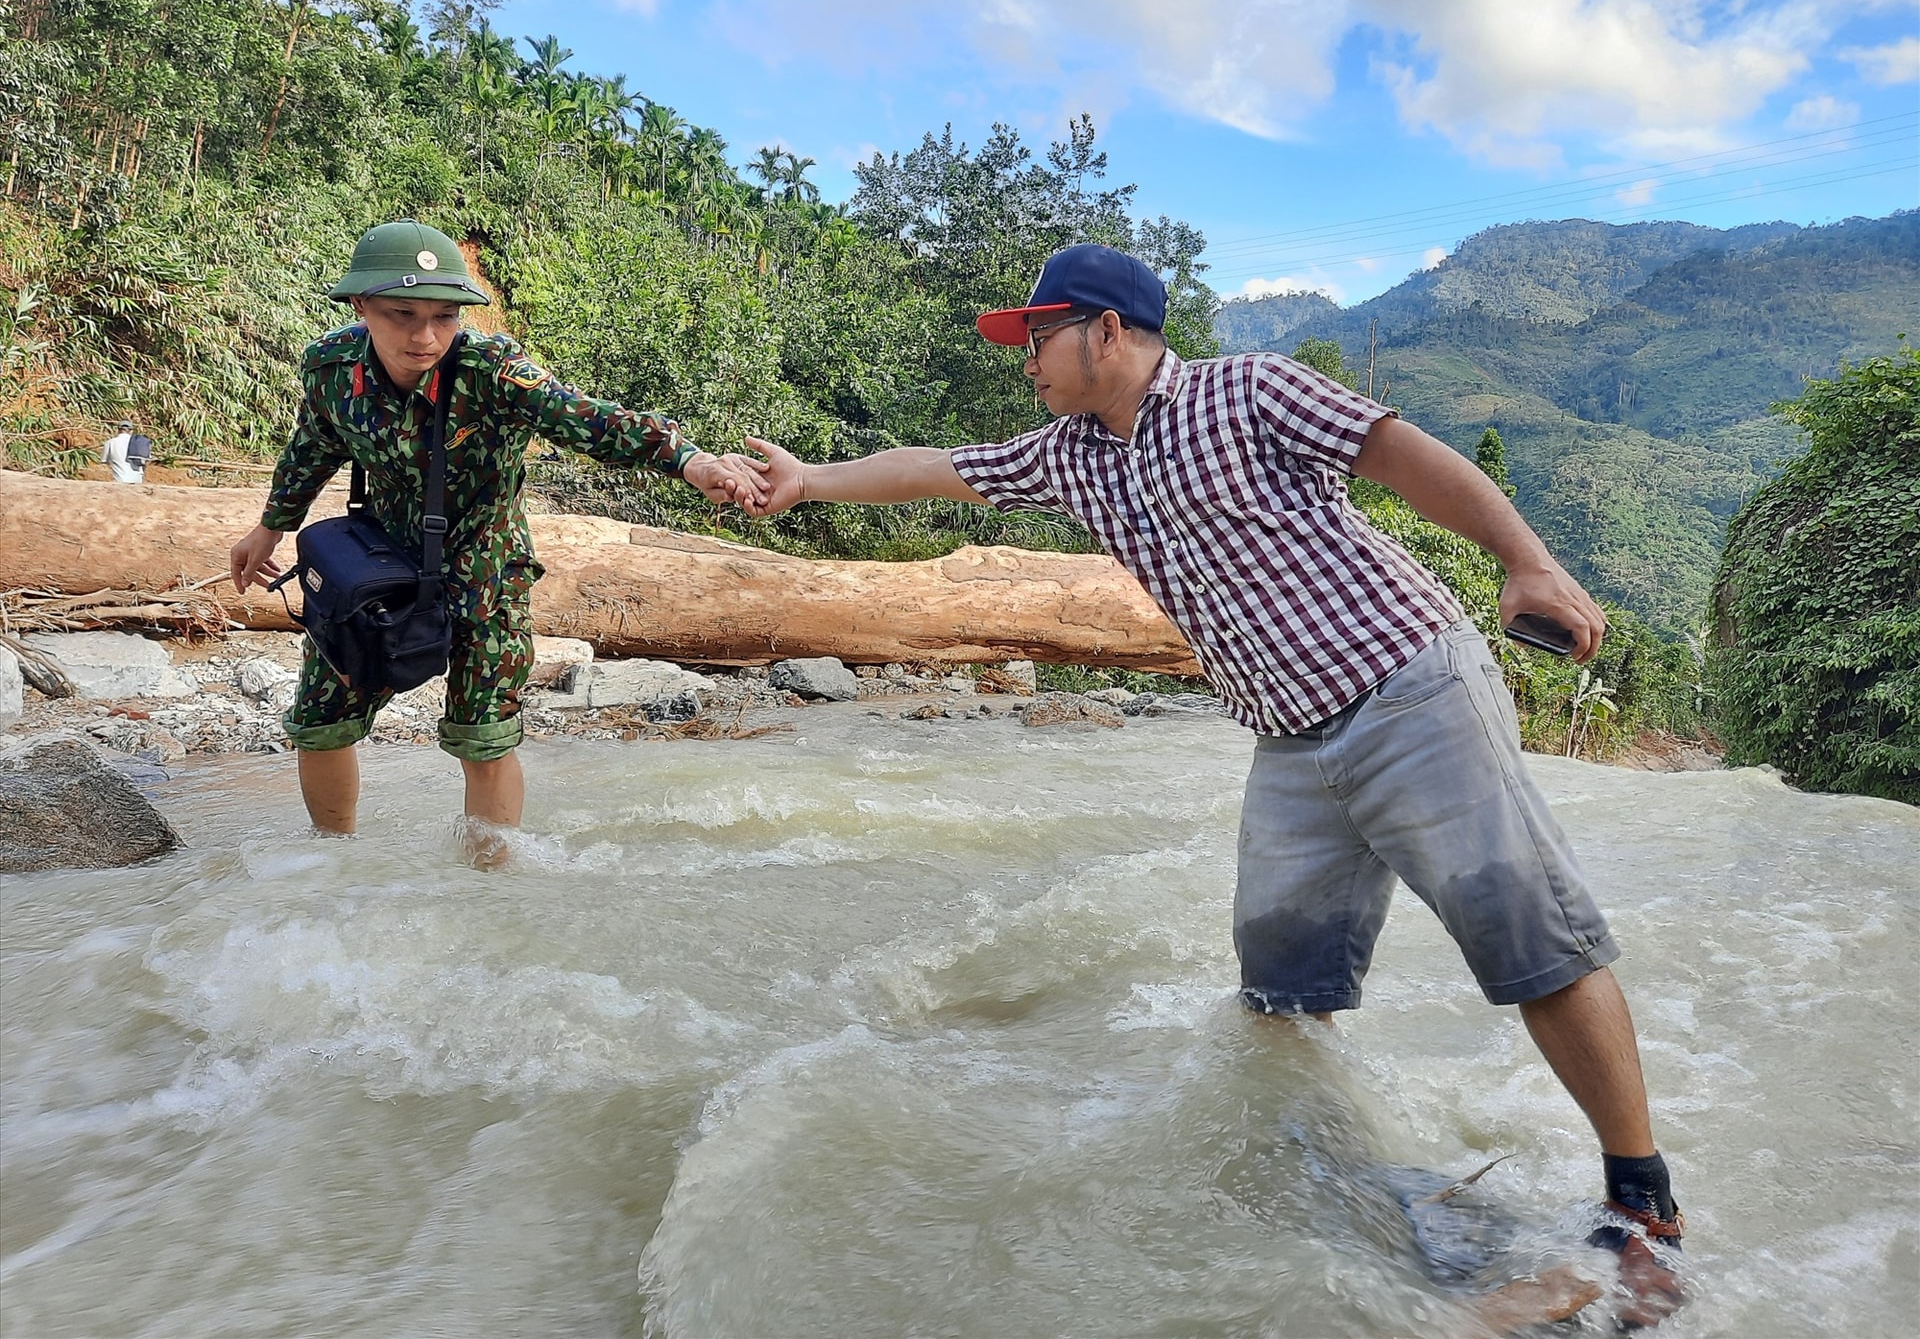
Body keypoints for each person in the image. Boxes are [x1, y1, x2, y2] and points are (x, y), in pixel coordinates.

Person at [735, 243, 1686, 1327]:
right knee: (1281, 996)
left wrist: (1527, 558)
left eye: (1037, 336)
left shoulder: (1247, 388)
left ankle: (1643, 1211)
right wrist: (809, 480)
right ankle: (1347, 1190)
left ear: (1105, 330)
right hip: (1291, 744)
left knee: (1534, 943)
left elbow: (1404, 456)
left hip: (1410, 690)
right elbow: (936, 467)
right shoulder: (1071, 456)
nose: (1026, 361)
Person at [229, 221, 764, 862]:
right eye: (403, 314)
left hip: (487, 569)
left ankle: (489, 890)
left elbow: (587, 419)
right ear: (361, 305)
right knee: (320, 719)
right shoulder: (331, 369)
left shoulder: (493, 370)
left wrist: (690, 461)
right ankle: (331, 863)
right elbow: (313, 444)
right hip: (376, 564)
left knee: (483, 732)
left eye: (444, 316)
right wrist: (271, 525)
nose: (425, 336)